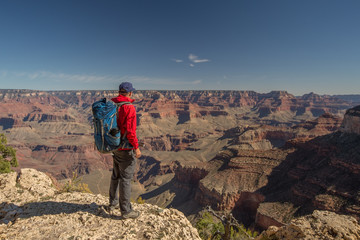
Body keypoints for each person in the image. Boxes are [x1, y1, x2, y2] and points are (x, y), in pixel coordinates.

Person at [108, 82, 142, 219]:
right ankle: (126, 211)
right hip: (125, 147)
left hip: (113, 145)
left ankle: (112, 203)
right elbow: (131, 132)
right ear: (130, 93)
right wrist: (136, 147)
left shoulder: (112, 105)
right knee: (126, 179)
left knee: (115, 175)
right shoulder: (129, 108)